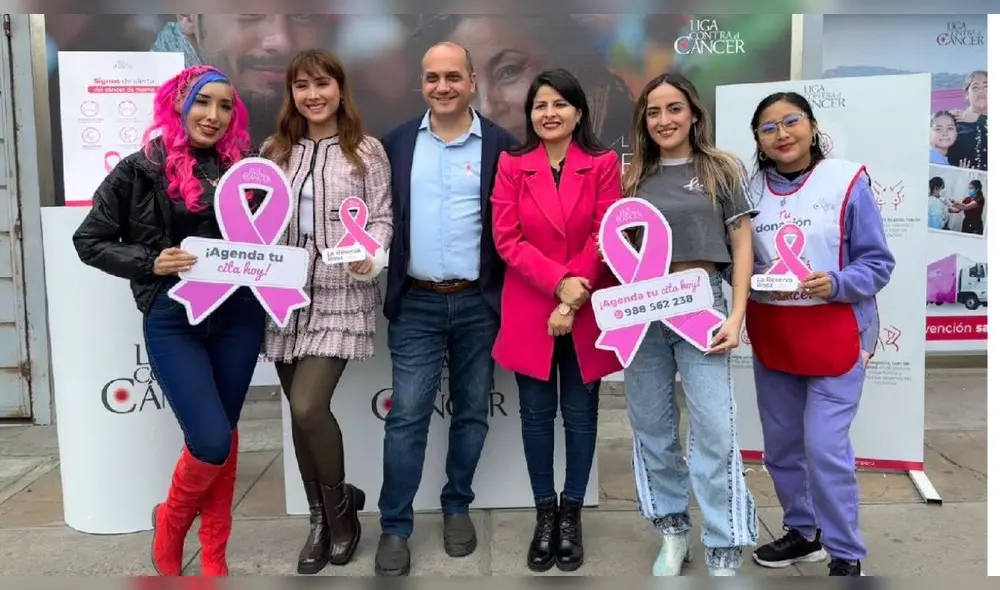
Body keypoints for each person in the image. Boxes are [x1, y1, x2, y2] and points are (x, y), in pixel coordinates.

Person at [71, 65, 259, 576]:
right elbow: (89, 241)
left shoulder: (248, 167)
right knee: (211, 440)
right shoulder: (141, 169)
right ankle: (173, 520)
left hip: (239, 317)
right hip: (174, 317)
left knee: (225, 431)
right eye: (203, 102)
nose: (214, 115)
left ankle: (215, 554)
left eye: (225, 106)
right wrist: (150, 260)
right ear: (178, 104)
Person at [375, 41, 518, 576]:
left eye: (453, 76)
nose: (443, 86)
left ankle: (457, 504)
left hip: (479, 304)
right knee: (407, 416)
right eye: (432, 77)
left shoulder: (503, 146)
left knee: (473, 412)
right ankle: (395, 526)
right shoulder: (395, 145)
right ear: (421, 82)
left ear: (472, 80)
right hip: (416, 303)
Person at [744, 92, 895, 577]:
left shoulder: (847, 182)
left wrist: (837, 283)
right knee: (782, 447)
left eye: (791, 121)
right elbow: (737, 263)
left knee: (825, 448)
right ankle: (804, 531)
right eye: (769, 128)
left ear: (812, 126)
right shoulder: (746, 193)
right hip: (775, 334)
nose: (782, 134)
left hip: (836, 331)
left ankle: (845, 553)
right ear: (759, 141)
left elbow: (877, 263)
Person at [259, 49, 393, 574]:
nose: (312, 95)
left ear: (340, 88)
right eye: (301, 86)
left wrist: (372, 255)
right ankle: (322, 517)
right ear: (291, 94)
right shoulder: (275, 151)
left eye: (321, 84)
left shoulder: (367, 151)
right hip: (283, 295)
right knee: (297, 412)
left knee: (310, 405)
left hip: (341, 289)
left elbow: (381, 217)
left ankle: (342, 517)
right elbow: (256, 215)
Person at [619, 72, 759, 577]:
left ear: (694, 114)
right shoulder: (631, 176)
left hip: (703, 307)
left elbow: (742, 243)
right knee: (652, 425)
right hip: (645, 312)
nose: (664, 120)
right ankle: (672, 529)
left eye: (674, 109)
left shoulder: (721, 169)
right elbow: (624, 245)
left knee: (715, 427)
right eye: (653, 112)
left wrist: (737, 313)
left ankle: (723, 539)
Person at [490, 68, 623, 573]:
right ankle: (544, 514)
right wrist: (557, 287)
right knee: (535, 417)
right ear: (530, 115)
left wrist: (573, 297)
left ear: (579, 112)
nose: (549, 113)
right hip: (531, 306)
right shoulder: (512, 165)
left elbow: (605, 231)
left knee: (583, 416)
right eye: (540, 105)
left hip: (585, 308)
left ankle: (572, 515)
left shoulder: (604, 163)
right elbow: (507, 240)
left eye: (560, 104)